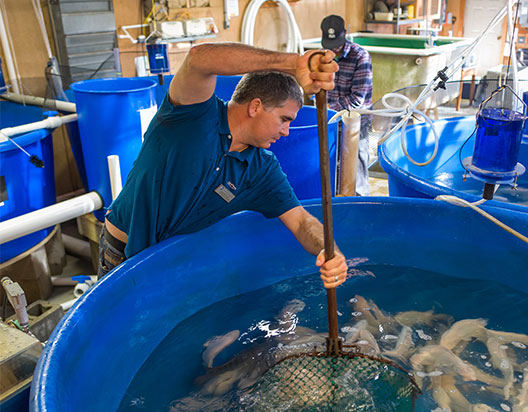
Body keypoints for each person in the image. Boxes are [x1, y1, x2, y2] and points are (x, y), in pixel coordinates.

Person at [98, 42, 349, 291]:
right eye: (284, 119)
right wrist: (294, 64)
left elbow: (302, 221)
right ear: (256, 106)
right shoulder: (191, 114)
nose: (286, 132)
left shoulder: (261, 170)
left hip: (170, 269)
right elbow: (199, 58)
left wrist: (330, 252)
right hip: (121, 256)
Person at [320, 14, 373, 196]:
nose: (333, 49)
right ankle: (338, 206)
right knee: (333, 169)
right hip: (332, 122)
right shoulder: (322, 57)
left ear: (345, 34)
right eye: (329, 44)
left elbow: (357, 100)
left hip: (356, 122)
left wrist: (326, 108)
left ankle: (362, 207)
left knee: (356, 171)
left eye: (336, 44)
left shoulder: (361, 57)